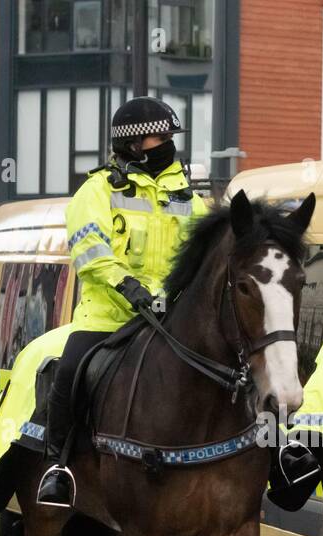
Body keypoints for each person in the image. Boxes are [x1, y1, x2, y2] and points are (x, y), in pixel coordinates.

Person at [37, 96, 206, 507]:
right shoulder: (96, 191)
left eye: (169, 136)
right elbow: (90, 249)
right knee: (71, 373)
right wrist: (129, 287)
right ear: (132, 145)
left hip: (167, 319)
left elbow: (206, 251)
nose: (168, 143)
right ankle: (57, 466)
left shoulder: (187, 197)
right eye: (158, 136)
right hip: (109, 316)